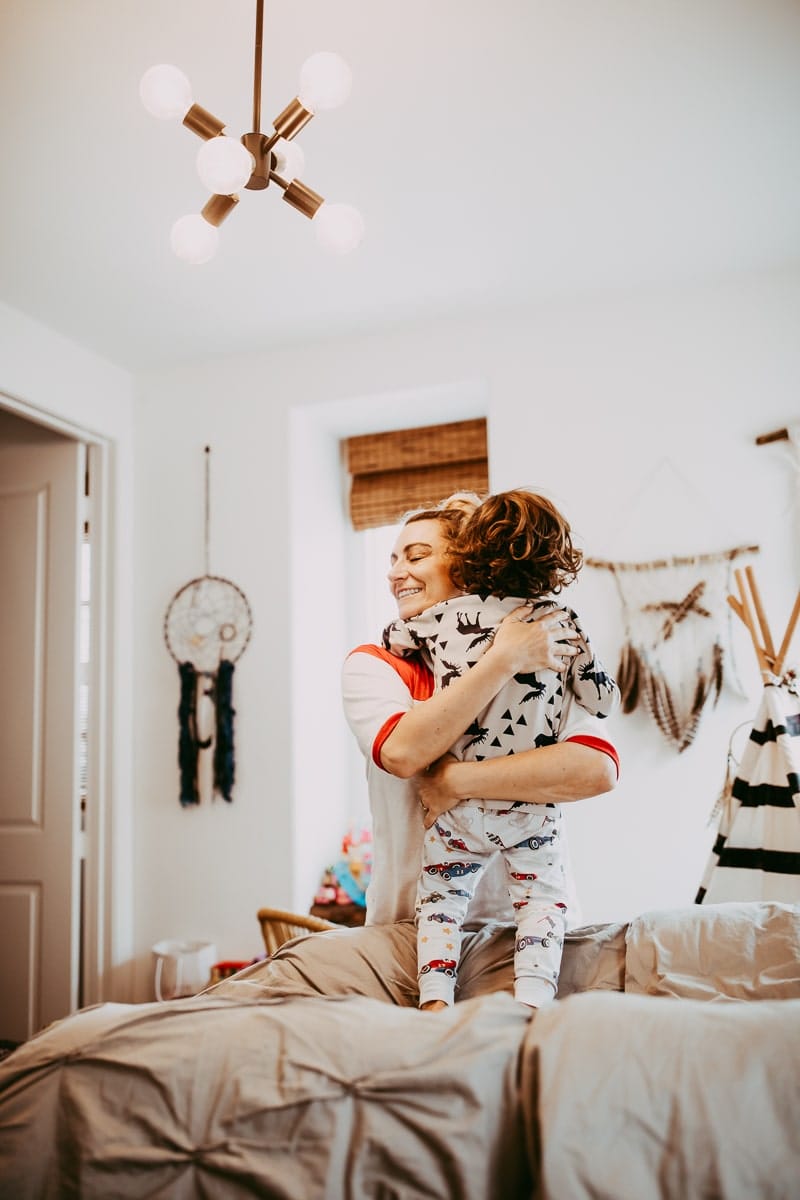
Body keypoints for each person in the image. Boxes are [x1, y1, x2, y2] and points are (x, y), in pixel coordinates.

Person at [337, 497, 619, 1007]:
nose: (397, 573)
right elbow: (403, 752)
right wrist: (504, 658)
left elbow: (595, 770)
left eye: (416, 556)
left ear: (466, 563)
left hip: (531, 941)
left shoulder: (546, 647)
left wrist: (453, 782)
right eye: (393, 560)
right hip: (413, 937)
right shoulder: (374, 664)